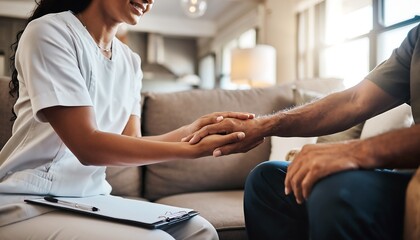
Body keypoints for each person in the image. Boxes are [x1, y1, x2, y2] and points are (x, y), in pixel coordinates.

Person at [0, 0, 252, 239]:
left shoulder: (130, 61)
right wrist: (191, 150)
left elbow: (130, 141)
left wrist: (192, 131)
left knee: (200, 231)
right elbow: (87, 146)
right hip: (27, 200)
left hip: (90, 196)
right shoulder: (48, 32)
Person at [183, 23, 420, 239]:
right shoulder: (416, 38)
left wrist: (355, 151)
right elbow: (354, 100)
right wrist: (260, 126)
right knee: (267, 180)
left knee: (337, 192)